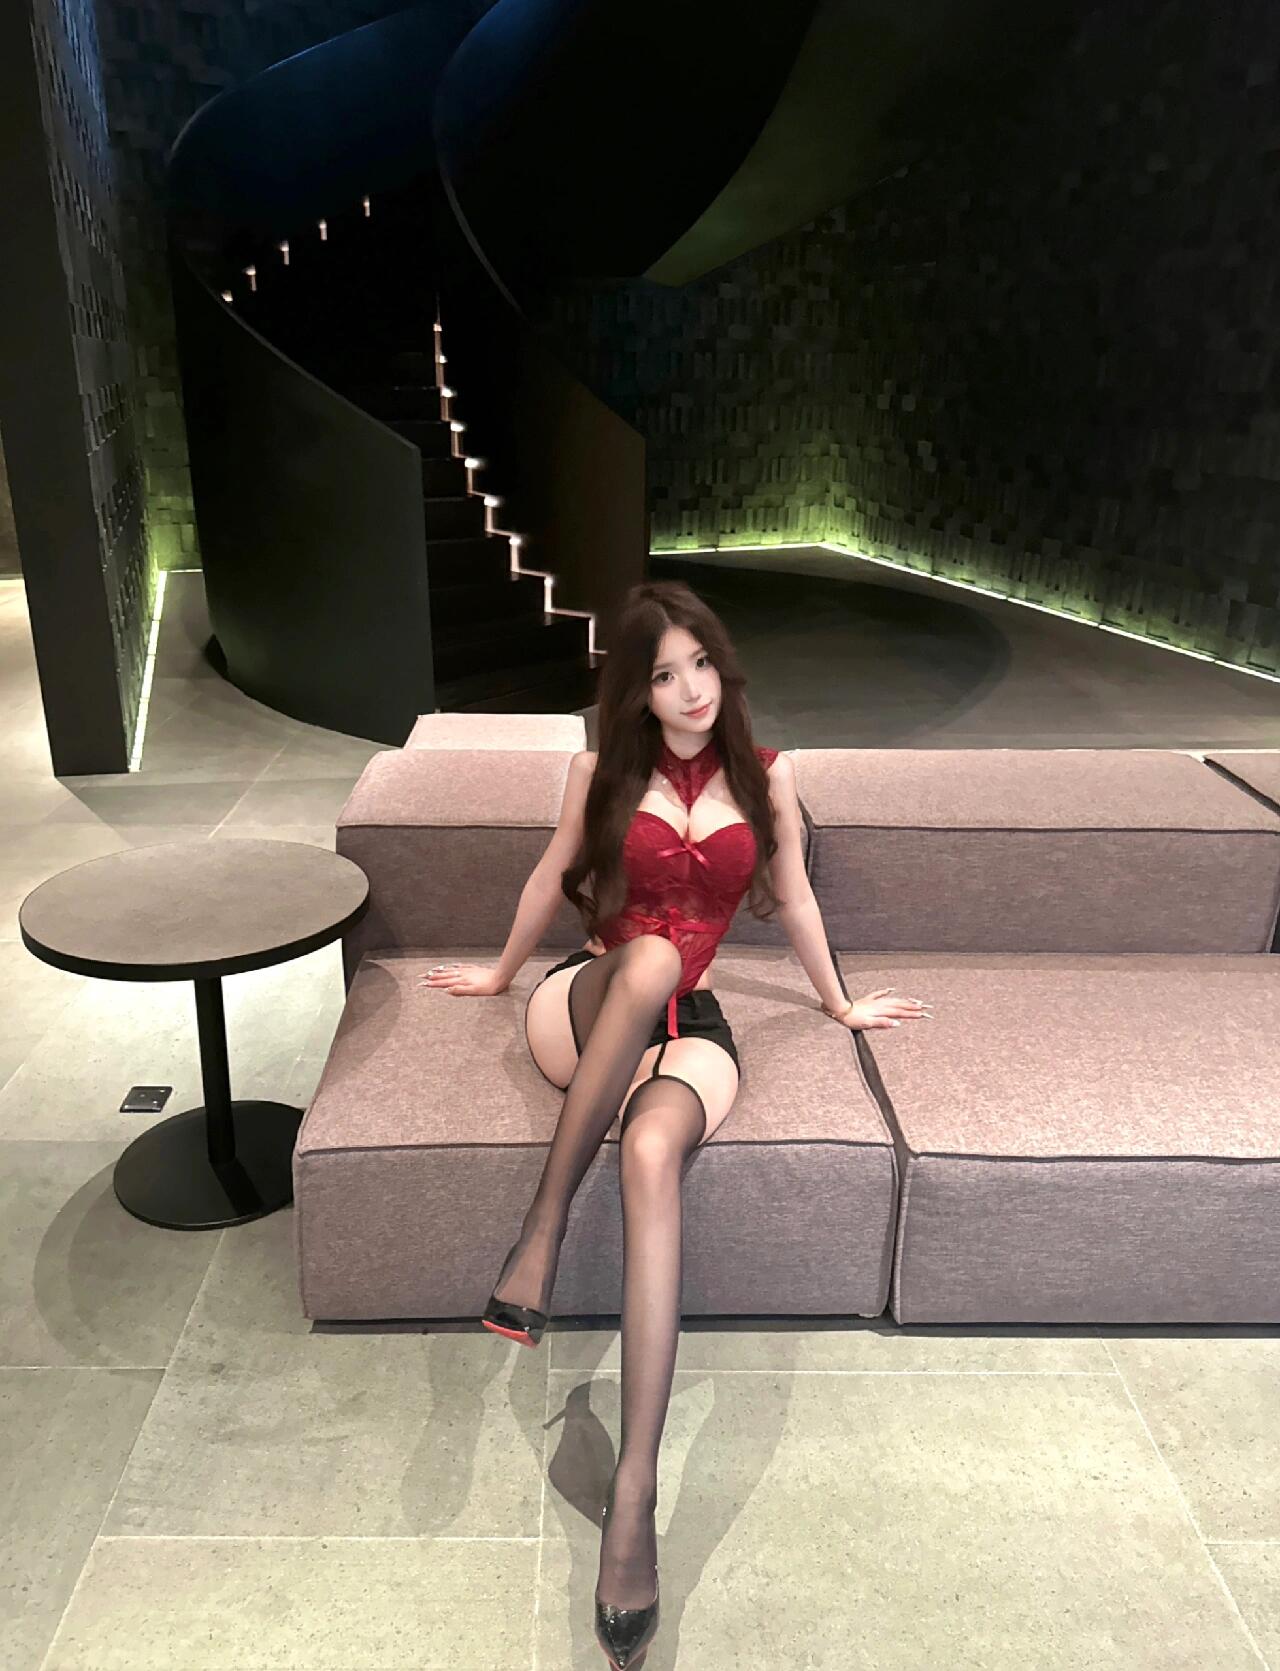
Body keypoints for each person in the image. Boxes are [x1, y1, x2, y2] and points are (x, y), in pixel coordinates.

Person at [419, 579, 933, 1669]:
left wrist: (839, 1003)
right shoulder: (598, 771)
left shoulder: (768, 776)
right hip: (588, 1000)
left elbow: (794, 897)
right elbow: (550, 875)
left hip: (688, 1024)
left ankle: (634, 1496)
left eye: (700, 663)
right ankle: (542, 1230)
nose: (690, 689)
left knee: (653, 1149)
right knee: (648, 953)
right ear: (636, 692)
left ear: (721, 665)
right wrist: (501, 974)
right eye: (663, 674)